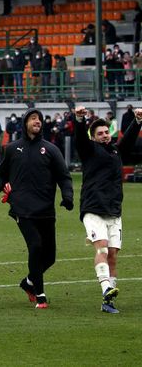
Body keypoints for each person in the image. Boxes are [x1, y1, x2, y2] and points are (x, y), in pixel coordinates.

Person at [0, 108, 73, 309]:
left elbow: (64, 177)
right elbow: (1, 173)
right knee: (35, 246)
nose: (37, 121)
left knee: (50, 257)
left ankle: (27, 282)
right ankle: (40, 295)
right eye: (32, 118)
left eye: (39, 119)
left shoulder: (51, 149)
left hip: (46, 210)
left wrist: (67, 196)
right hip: (22, 209)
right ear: (25, 123)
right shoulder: (12, 148)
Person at [73, 106, 142, 313]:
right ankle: (105, 290)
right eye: (100, 134)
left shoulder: (115, 151)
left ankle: (108, 301)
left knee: (112, 255)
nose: (104, 136)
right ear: (93, 138)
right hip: (93, 208)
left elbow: (127, 140)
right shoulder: (89, 150)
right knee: (101, 247)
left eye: (106, 132)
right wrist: (79, 119)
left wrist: (137, 121)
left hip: (114, 210)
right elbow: (79, 138)